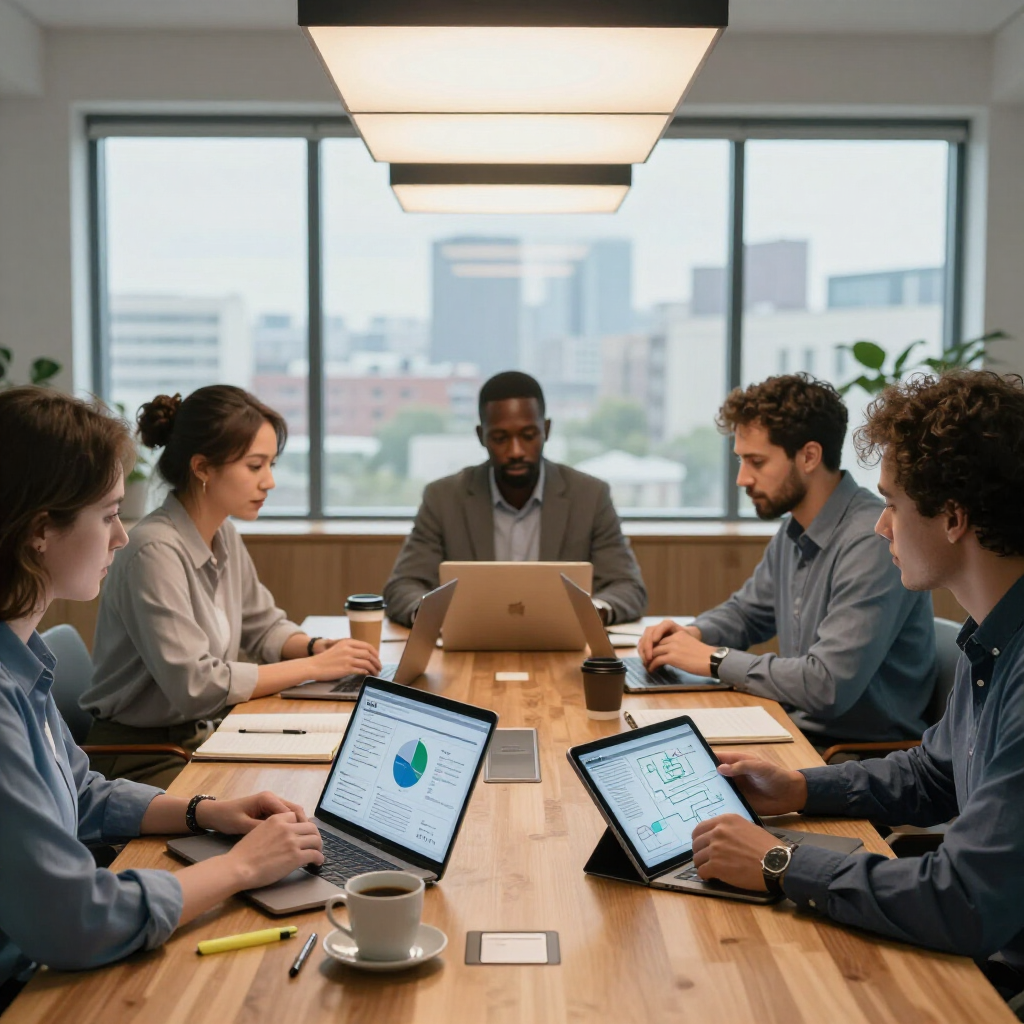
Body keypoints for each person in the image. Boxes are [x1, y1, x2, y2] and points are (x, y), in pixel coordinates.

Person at [686, 370, 1024, 1010]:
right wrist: (801, 788)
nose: (880, 526)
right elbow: (933, 775)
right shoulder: (991, 639)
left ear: (953, 517)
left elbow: (964, 901)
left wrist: (780, 862)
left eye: (893, 504)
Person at [0, 386, 324, 1010]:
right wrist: (240, 868)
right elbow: (72, 918)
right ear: (41, 530)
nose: (121, 537)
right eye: (107, 514)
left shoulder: (24, 659)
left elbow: (84, 793)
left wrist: (207, 812)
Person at [82, 386, 381, 787]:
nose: (270, 481)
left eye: (271, 464)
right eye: (256, 466)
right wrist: (313, 668)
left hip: (200, 737)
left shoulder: (223, 533)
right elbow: (197, 686)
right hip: (142, 758)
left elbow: (264, 625)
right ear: (203, 468)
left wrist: (315, 648)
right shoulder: (153, 551)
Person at [638, 373, 935, 747]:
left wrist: (713, 659)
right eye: (741, 461)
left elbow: (827, 686)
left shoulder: (871, 540)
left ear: (809, 456)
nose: (742, 479)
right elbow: (748, 613)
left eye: (756, 462)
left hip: (854, 754)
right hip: (797, 731)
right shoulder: (796, 528)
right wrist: (692, 635)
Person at [383, 371, 647, 627]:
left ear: (546, 429)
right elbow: (403, 586)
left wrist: (595, 611)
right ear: (481, 436)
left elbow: (627, 586)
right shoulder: (443, 498)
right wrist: (429, 618)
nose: (516, 451)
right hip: (467, 649)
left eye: (528, 435)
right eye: (500, 438)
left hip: (566, 651)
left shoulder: (589, 496)